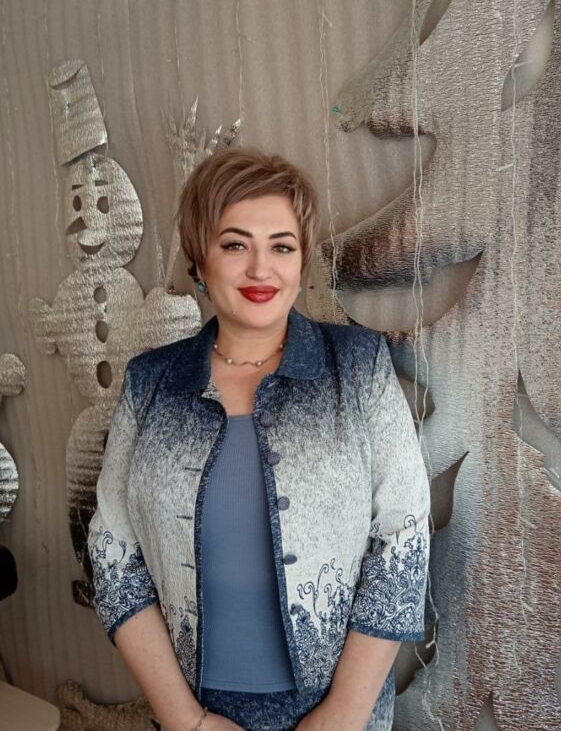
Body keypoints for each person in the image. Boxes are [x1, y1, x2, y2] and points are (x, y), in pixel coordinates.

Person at [87, 147, 430, 731]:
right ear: (199, 261)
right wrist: (186, 720)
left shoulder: (357, 366)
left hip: (338, 712)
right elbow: (112, 557)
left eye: (282, 247)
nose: (260, 270)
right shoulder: (150, 384)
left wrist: (343, 715)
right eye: (235, 245)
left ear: (301, 261)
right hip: (196, 709)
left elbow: (403, 539)